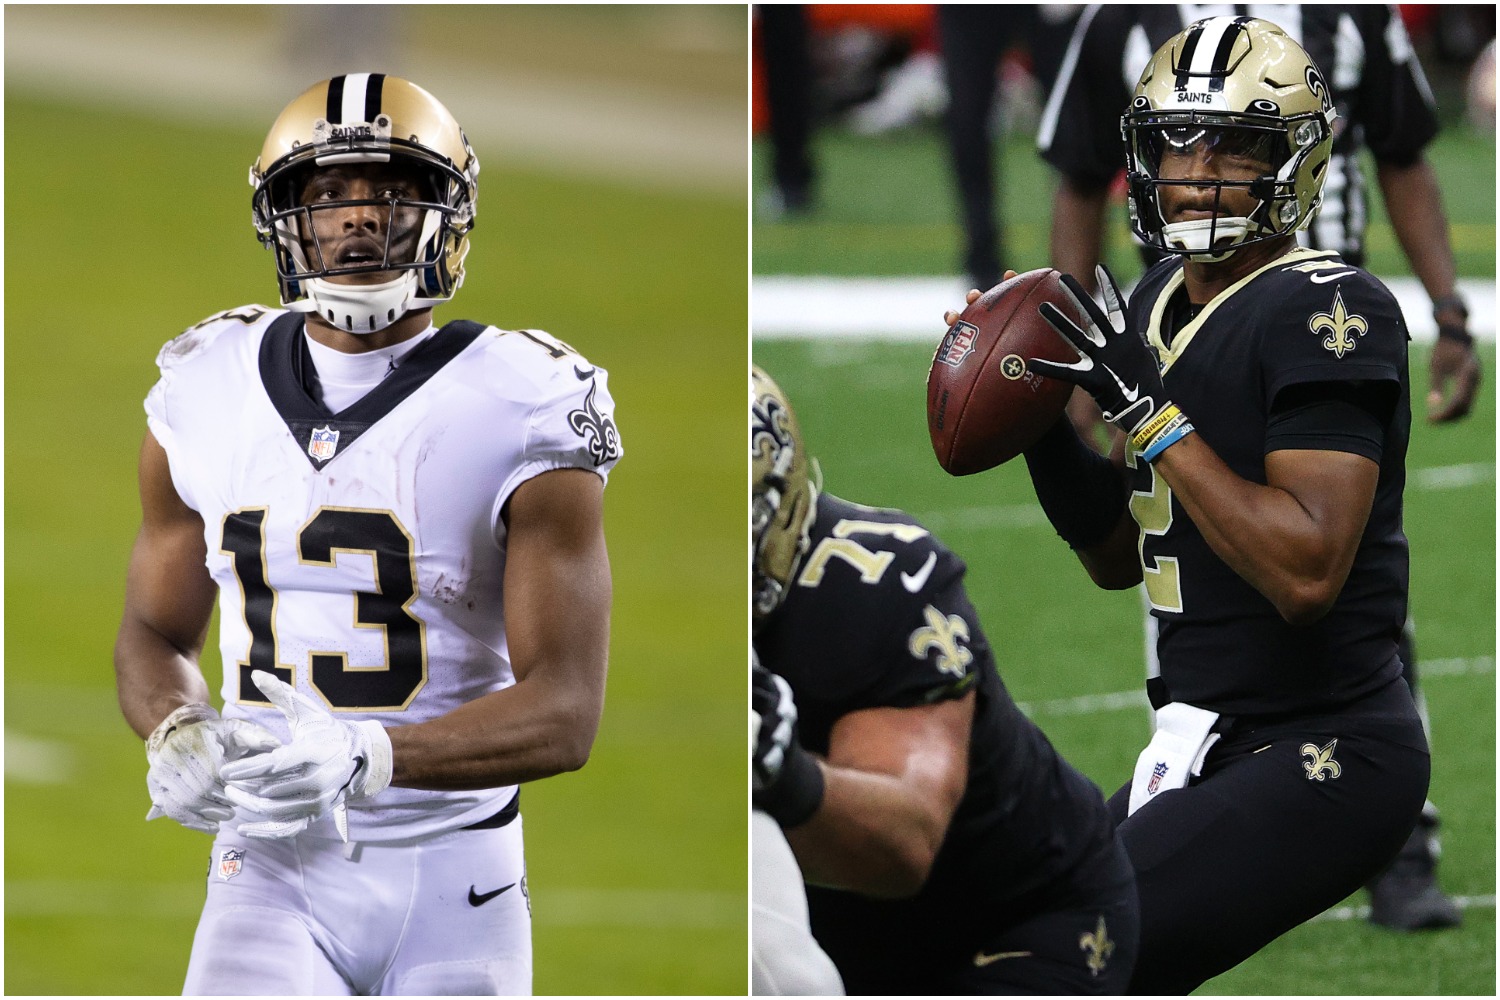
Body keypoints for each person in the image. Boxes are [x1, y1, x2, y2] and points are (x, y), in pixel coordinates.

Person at [114, 73, 621, 996]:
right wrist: (177, 726)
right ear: (285, 218)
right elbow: (153, 634)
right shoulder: (202, 385)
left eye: (389, 193)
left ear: (444, 215)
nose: (357, 219)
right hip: (265, 864)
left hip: (454, 873)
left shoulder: (525, 402)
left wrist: (370, 753)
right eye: (328, 194)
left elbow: (567, 712)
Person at [999, 18, 1431, 992]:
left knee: (1060, 959)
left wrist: (1150, 415)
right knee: (1008, 934)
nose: (1200, 170)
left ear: (1301, 160)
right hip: (1204, 738)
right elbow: (1118, 554)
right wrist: (1035, 427)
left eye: (1238, 144)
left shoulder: (1332, 308)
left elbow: (1307, 571)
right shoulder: (1153, 294)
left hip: (1326, 742)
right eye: (1178, 142)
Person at [750, 366, 1138, 995]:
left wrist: (777, 770)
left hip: (1011, 921)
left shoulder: (875, 584)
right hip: (843, 934)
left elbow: (906, 840)